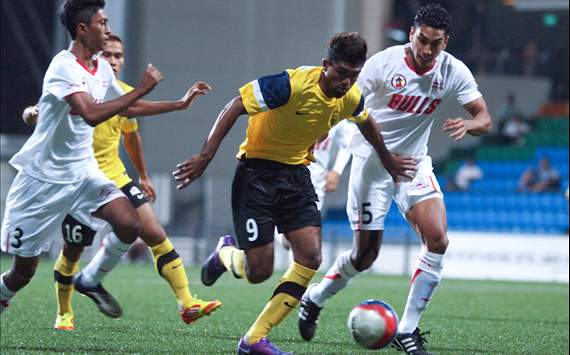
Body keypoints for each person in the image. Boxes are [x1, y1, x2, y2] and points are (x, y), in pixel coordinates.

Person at [173, 32, 415, 354]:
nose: (346, 82)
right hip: (256, 173)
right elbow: (235, 106)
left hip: (296, 175)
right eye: (341, 72)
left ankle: (254, 340)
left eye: (353, 75)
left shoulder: (350, 97)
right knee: (258, 271)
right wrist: (205, 156)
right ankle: (226, 254)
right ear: (326, 64)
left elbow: (366, 122)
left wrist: (386, 158)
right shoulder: (291, 84)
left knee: (311, 256)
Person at [298, 5, 492, 355]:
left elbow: (484, 118)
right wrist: (315, 133)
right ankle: (314, 297)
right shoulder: (384, 64)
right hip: (372, 166)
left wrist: (470, 125)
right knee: (365, 256)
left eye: (435, 44)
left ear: (445, 41)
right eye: (421, 40)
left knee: (437, 239)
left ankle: (407, 330)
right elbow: (341, 98)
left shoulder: (452, 71)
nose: (426, 50)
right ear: (412, 32)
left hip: (414, 166)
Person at [22, 34, 221, 330]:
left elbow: (130, 135)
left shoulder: (124, 93)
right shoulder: (74, 86)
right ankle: (64, 311)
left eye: (118, 55)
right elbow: (38, 112)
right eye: (108, 55)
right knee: (72, 251)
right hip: (78, 183)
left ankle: (187, 302)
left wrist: (142, 175)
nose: (114, 61)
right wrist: (32, 113)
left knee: (153, 231)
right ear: (96, 58)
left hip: (114, 177)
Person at [0, 0, 162, 315]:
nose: (108, 29)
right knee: (23, 273)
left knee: (130, 223)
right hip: (41, 181)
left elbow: (125, 107)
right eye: (102, 23)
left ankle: (89, 279)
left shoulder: (101, 67)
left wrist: (179, 105)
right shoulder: (63, 66)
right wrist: (142, 88)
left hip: (83, 173)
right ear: (82, 29)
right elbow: (90, 114)